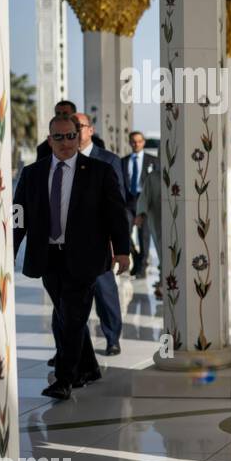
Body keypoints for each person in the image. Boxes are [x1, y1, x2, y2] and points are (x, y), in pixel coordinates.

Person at [14, 115, 131, 400]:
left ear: (79, 136)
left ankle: (65, 379)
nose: (65, 143)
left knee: (73, 316)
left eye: (70, 136)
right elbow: (19, 216)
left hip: (85, 257)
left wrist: (123, 250)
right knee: (66, 315)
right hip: (48, 257)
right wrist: (8, 251)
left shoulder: (99, 171)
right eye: (59, 137)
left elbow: (116, 214)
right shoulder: (33, 174)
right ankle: (89, 367)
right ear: (49, 138)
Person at [74, 113, 126, 357]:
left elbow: (118, 205)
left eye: (79, 126)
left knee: (105, 294)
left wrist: (119, 246)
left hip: (100, 242)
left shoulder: (108, 160)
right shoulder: (62, 159)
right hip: (68, 245)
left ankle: (112, 337)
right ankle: (70, 346)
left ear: (90, 130)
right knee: (69, 301)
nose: (75, 131)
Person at [122, 130, 157, 276]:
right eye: (133, 141)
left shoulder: (153, 160)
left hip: (145, 201)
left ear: (143, 142)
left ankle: (141, 267)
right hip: (128, 202)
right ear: (130, 143)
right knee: (123, 232)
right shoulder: (123, 161)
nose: (136, 144)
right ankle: (136, 256)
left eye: (139, 141)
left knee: (143, 236)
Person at [36, 100, 104, 160]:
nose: (61, 116)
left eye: (65, 113)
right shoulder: (44, 149)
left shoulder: (96, 143)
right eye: (58, 113)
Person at [135, 160, 163, 298]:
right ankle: (164, 283)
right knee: (162, 250)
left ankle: (164, 283)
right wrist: (140, 214)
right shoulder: (154, 177)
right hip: (158, 220)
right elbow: (145, 197)